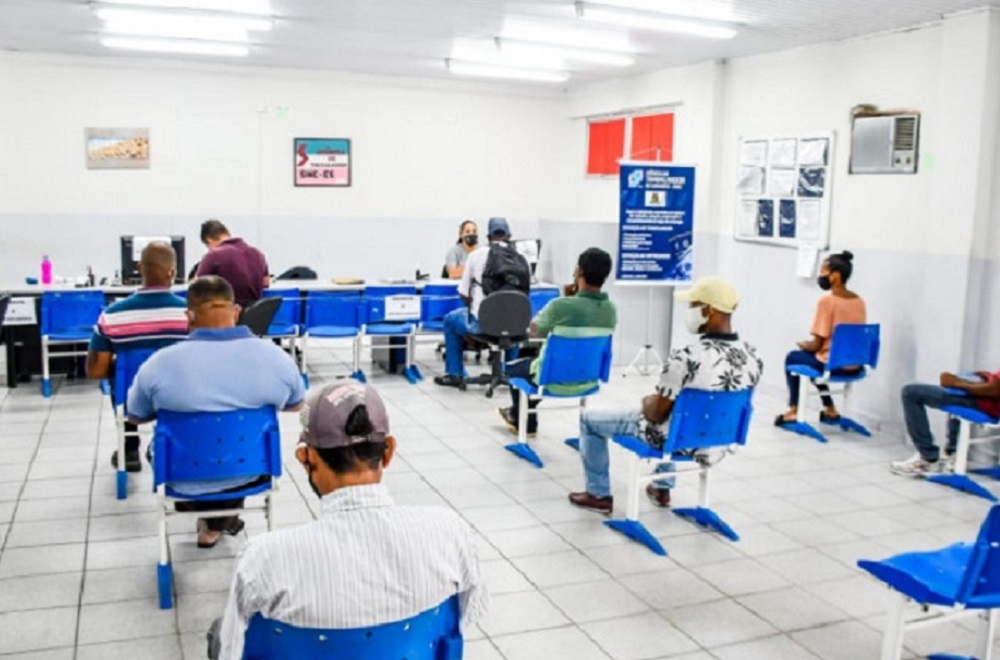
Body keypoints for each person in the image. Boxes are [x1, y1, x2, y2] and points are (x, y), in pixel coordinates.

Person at [209, 381, 487, 660]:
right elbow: (462, 621)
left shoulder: (264, 559)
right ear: (388, 451)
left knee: (217, 633)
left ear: (306, 457)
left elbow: (232, 650)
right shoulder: (451, 533)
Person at [127, 276, 305, 548]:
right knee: (235, 450)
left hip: (179, 474)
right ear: (237, 312)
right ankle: (217, 521)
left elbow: (135, 415)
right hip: (251, 471)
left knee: (162, 448)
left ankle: (209, 518)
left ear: (188, 316)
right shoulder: (276, 358)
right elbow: (295, 404)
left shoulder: (159, 363)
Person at [569, 277, 763, 514]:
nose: (689, 311)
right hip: (716, 442)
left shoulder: (686, 357)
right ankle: (662, 487)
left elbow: (656, 414)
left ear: (709, 310)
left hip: (676, 439)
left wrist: (646, 402)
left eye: (693, 305)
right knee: (679, 417)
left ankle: (598, 494)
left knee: (589, 419)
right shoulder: (752, 357)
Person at [86, 241, 188, 472]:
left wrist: (123, 367)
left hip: (132, 399)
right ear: (172, 272)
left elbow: (95, 370)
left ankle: (129, 446)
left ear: (139, 268)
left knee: (120, 374)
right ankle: (173, 443)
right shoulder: (191, 314)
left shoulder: (112, 315)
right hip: (180, 397)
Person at [497, 247, 617, 437]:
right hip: (588, 379)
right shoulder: (610, 310)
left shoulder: (560, 305)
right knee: (537, 360)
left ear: (579, 271)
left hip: (551, 379)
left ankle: (523, 422)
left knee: (513, 367)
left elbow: (534, 331)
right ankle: (523, 412)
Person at [774, 251, 866, 427]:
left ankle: (794, 410)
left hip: (833, 365)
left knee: (794, 357)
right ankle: (830, 408)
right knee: (813, 360)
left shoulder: (827, 302)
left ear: (835, 275)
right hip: (855, 364)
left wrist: (804, 345)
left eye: (824, 271)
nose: (821, 276)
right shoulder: (859, 302)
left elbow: (816, 344)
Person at [434, 217, 515, 388]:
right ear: (509, 235)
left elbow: (463, 293)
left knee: (450, 320)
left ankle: (455, 374)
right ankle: (511, 372)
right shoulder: (521, 258)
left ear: (487, 236)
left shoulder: (476, 256)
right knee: (515, 325)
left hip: (483, 324)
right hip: (514, 325)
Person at [890, 372, 1000, 476]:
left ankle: (928, 459)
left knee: (910, 392)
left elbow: (994, 390)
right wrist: (982, 376)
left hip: (983, 403)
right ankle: (952, 454)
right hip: (983, 398)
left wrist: (959, 384)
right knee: (957, 381)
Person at [195, 219, 270, 308]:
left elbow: (196, 287)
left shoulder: (214, 255)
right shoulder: (257, 253)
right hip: (253, 313)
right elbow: (266, 283)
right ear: (227, 233)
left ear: (209, 240)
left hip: (226, 313)